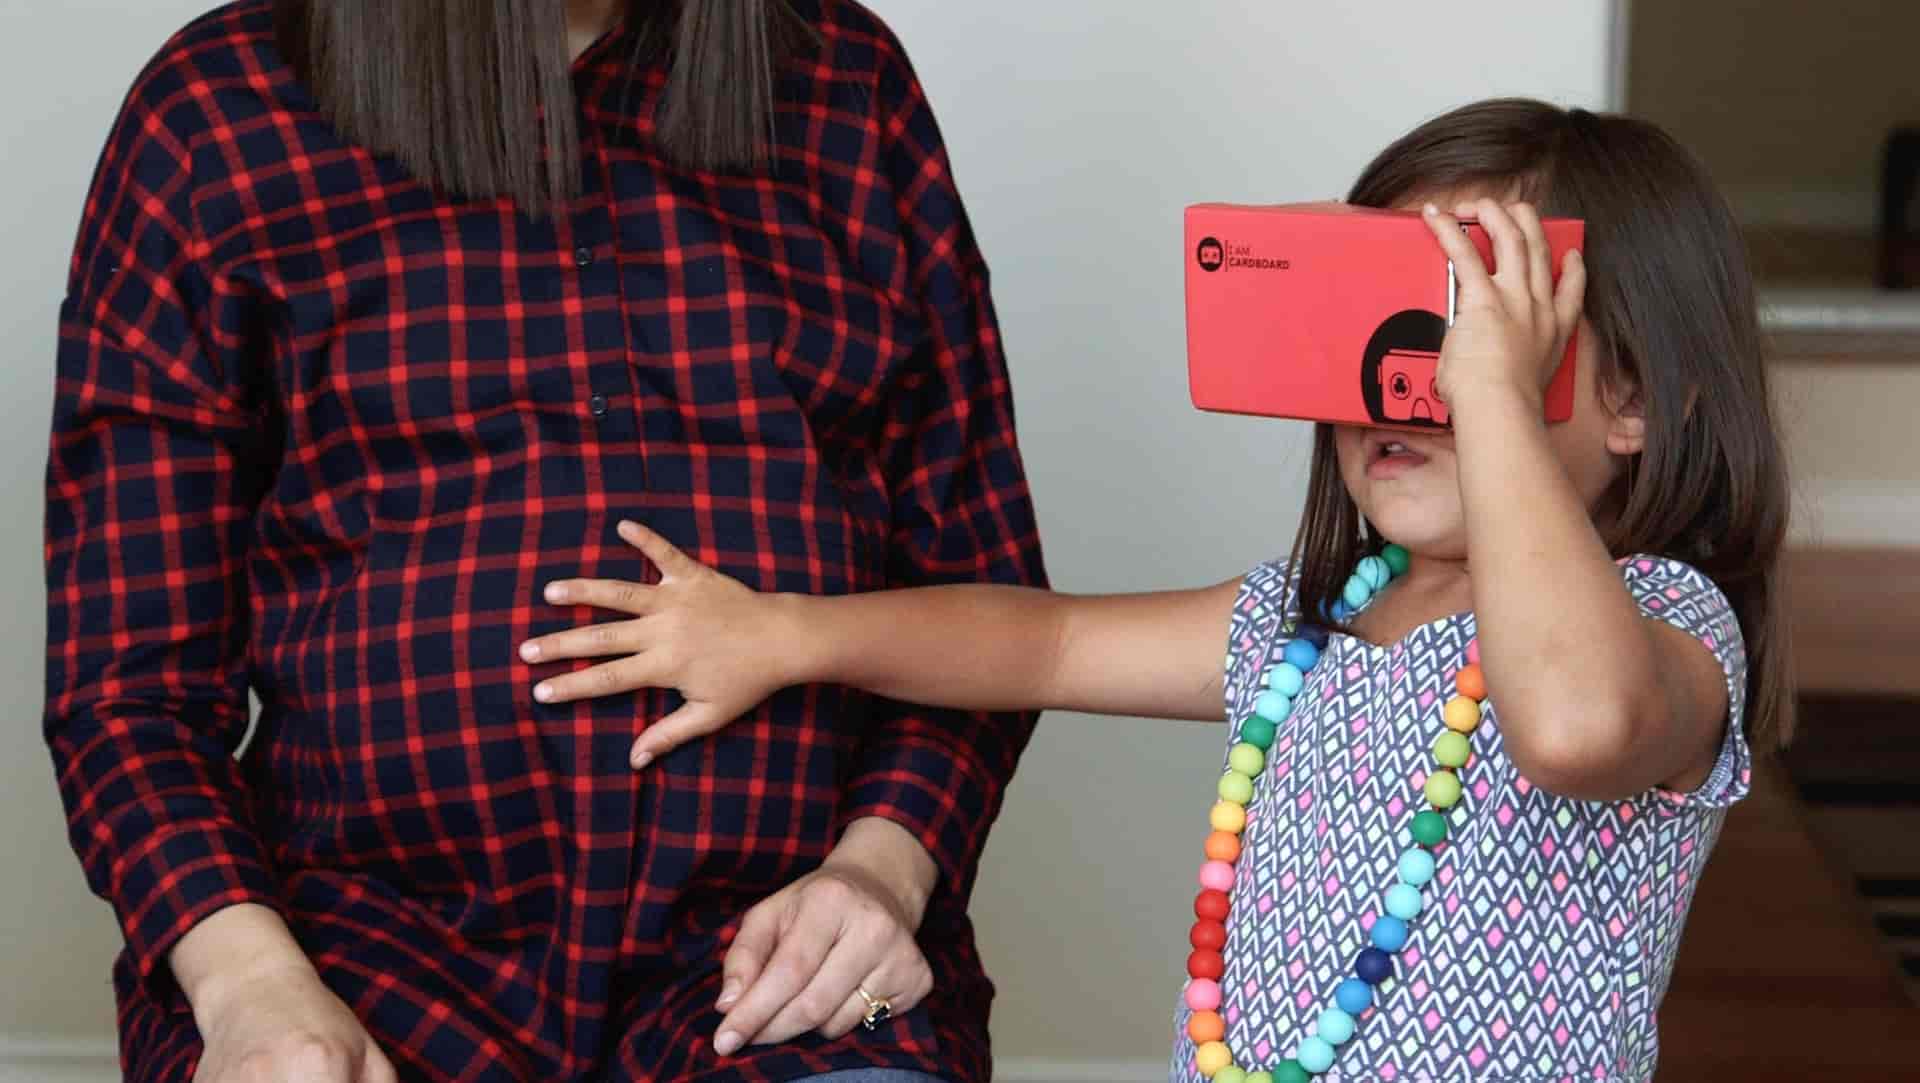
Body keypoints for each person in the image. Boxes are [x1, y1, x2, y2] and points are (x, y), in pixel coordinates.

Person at [520, 100, 1793, 1082]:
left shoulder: (1668, 629)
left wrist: (1493, 396)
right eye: (1391, 323)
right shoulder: (1314, 621)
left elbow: (1571, 726)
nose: (1413, 379)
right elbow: (1051, 644)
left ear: (1632, 401)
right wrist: (784, 635)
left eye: (1462, 329)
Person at [42, 1, 1045, 1080]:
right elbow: (128, 685)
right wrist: (250, 984)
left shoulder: (848, 80)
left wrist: (881, 870)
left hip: (785, 955)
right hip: (345, 952)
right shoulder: (217, 103)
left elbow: (983, 595)